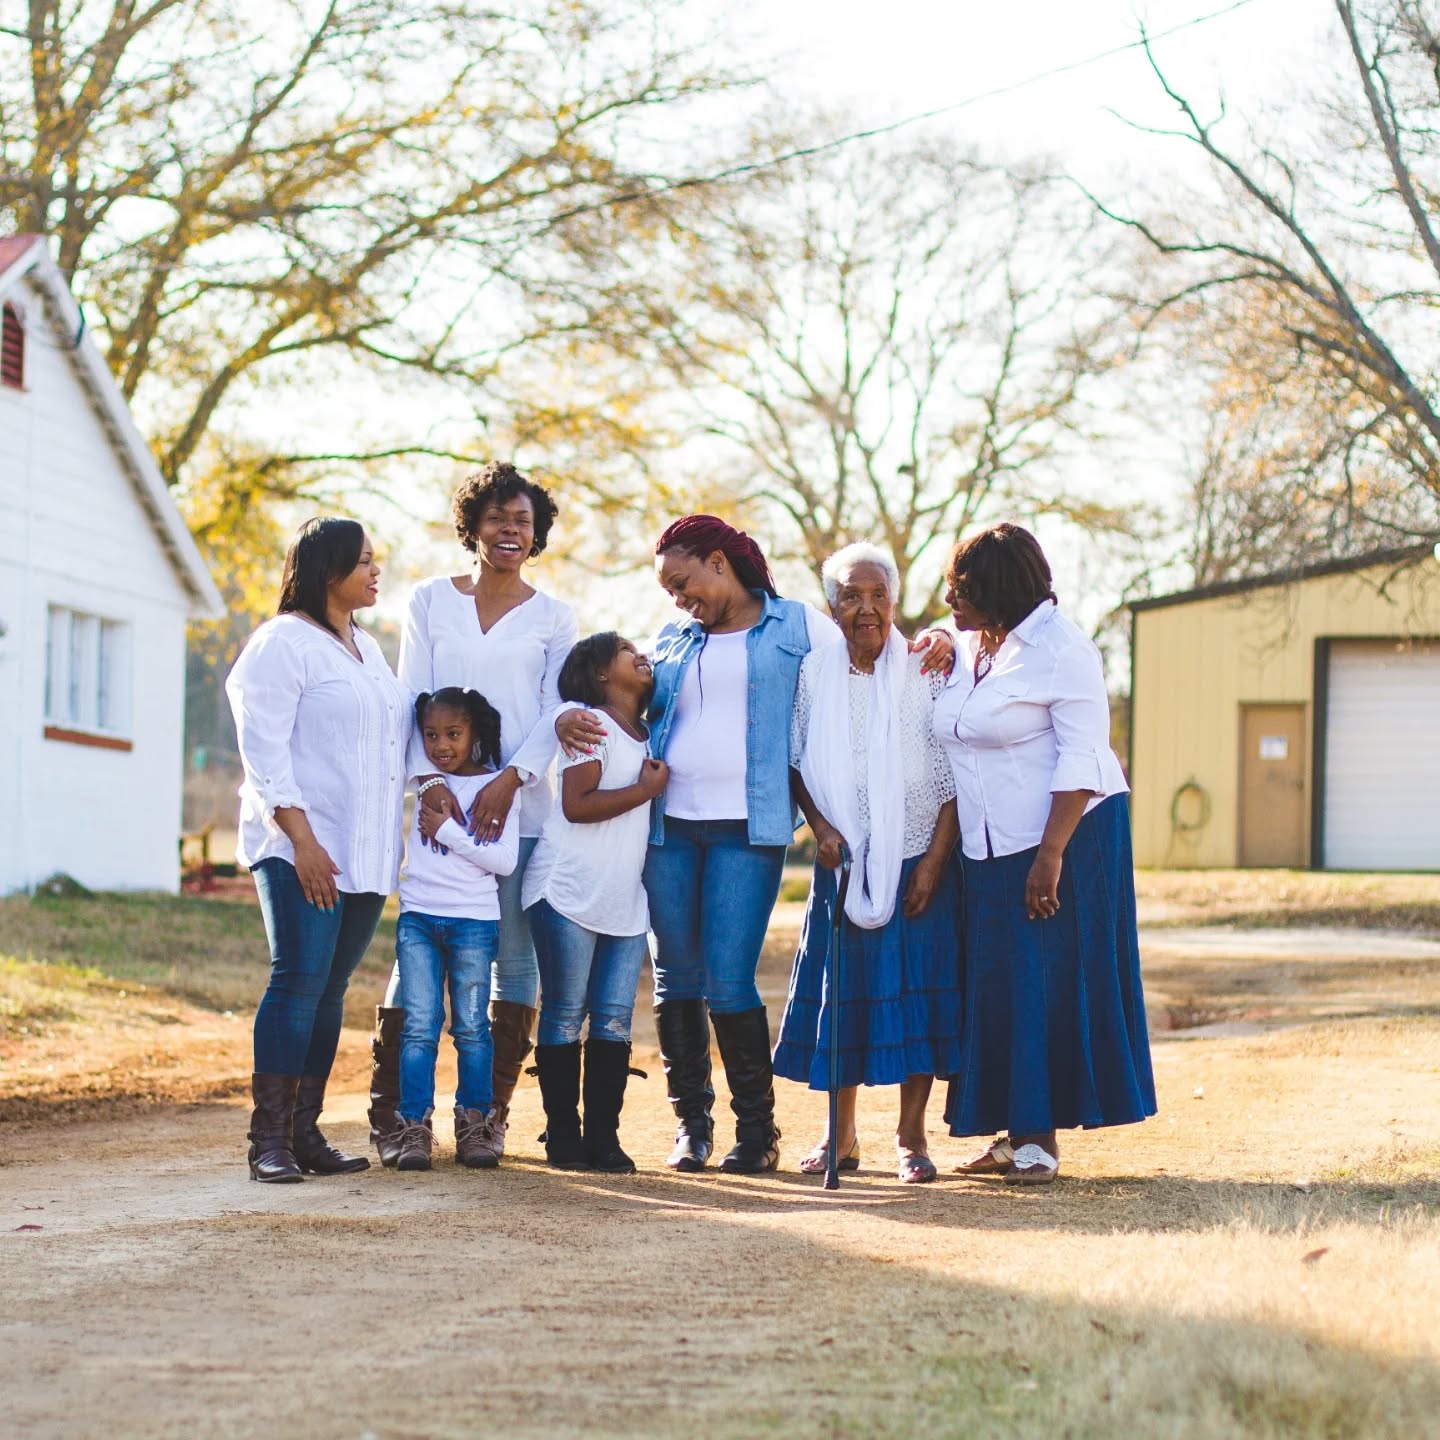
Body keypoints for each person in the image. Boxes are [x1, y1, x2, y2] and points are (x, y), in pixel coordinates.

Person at [559, 515, 954, 1176]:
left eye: (685, 584)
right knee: (675, 978)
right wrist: (560, 714)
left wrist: (940, 640)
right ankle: (693, 1127)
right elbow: (619, 702)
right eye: (671, 592)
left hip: (749, 828)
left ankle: (756, 1131)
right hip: (668, 828)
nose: (680, 601)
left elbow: (878, 651)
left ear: (720, 562)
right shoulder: (674, 638)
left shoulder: (799, 624)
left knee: (728, 976)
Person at [932, 523, 1156, 1184]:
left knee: (1041, 985)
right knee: (997, 984)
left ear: (999, 590)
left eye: (962, 591)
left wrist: (1051, 855)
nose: (950, 601)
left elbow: (1084, 756)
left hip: (1066, 839)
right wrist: (941, 641)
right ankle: (1010, 1132)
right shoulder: (973, 646)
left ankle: (1038, 1141)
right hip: (987, 842)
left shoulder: (1062, 649)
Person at [368, 462, 578, 1166]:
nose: (509, 530)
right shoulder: (431, 601)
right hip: (439, 806)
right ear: (473, 527)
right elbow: (411, 695)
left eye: (522, 520)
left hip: (518, 809)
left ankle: (484, 1118)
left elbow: (557, 708)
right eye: (496, 517)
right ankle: (399, 1119)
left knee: (512, 964)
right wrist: (430, 782)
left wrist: (510, 779)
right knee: (419, 956)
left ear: (536, 532)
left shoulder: (554, 617)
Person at [226, 517, 407, 1183]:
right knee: (298, 980)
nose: (373, 571)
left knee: (330, 990)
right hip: (299, 844)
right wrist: (300, 839)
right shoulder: (282, 644)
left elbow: (390, 744)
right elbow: (264, 750)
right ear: (327, 570)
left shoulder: (367, 648)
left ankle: (306, 1134)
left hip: (361, 853)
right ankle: (267, 1140)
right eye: (362, 561)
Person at [775, 543, 962, 1184]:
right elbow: (796, 761)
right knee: (844, 1002)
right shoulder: (814, 673)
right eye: (852, 596)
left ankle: (912, 1138)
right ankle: (841, 1137)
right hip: (842, 862)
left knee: (919, 1006)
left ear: (895, 602)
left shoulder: (925, 669)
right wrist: (821, 829)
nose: (866, 608)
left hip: (916, 857)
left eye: (878, 594)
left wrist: (935, 862)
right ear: (832, 605)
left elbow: (951, 775)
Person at [522, 634, 667, 1173]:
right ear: (602, 673)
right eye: (627, 649)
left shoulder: (648, 733)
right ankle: (562, 1135)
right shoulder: (590, 723)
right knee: (565, 1011)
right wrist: (646, 792)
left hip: (624, 897)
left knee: (612, 1020)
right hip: (567, 888)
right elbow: (577, 805)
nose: (641, 654)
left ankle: (604, 1140)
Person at [392, 688, 521, 1172]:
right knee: (419, 1027)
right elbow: (399, 747)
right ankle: (412, 1128)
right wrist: (429, 786)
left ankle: (475, 1125)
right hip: (419, 918)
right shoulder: (421, 782)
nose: (440, 744)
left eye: (453, 733)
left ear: (475, 733)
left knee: (471, 1027)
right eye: (430, 734)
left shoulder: (494, 788)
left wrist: (447, 831)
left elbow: (504, 860)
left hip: (473, 922)